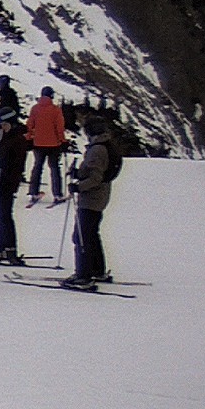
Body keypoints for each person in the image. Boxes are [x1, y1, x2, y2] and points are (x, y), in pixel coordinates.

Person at [64, 117, 122, 289]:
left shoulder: (97, 150)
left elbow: (95, 177)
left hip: (92, 198)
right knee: (91, 234)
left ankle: (84, 275)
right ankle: (97, 270)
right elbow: (94, 172)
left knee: (81, 236)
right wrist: (78, 173)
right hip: (99, 197)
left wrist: (79, 187)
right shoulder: (106, 146)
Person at [0, 107, 29, 263]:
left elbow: (14, 163)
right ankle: (1, 246)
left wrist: (8, 182)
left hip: (7, 182)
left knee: (4, 215)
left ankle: (9, 248)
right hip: (0, 180)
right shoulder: (5, 137)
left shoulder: (17, 139)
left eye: (3, 124)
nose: (1, 127)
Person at [26, 86, 67, 205]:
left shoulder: (35, 109)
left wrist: (29, 139)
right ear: (51, 96)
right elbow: (59, 128)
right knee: (54, 168)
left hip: (38, 143)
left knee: (37, 167)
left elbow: (29, 125)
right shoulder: (56, 110)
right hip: (53, 144)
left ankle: (33, 192)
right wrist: (63, 141)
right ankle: (57, 194)